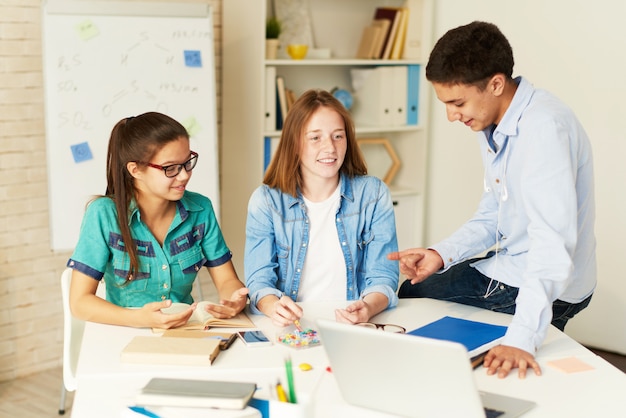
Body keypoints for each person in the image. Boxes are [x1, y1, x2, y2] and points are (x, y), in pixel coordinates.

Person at [388, 21, 596, 379]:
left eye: (457, 103)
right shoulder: (494, 122)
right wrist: (440, 254)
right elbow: (494, 215)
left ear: (496, 84)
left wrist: (521, 338)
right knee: (415, 288)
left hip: (543, 276)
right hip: (514, 261)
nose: (452, 115)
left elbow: (551, 245)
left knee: (413, 300)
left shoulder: (543, 130)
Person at [68, 111, 248, 329]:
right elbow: (79, 303)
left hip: (185, 331)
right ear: (135, 170)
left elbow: (227, 280)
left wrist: (234, 299)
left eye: (187, 162)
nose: (184, 176)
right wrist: (139, 319)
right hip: (126, 333)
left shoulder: (200, 209)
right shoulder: (103, 214)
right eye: (170, 168)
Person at [245, 89, 399, 327]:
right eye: (315, 138)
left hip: (352, 326)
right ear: (294, 143)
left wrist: (367, 307)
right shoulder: (266, 201)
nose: (330, 148)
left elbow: (383, 276)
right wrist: (272, 305)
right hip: (291, 327)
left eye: (338, 136)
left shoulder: (373, 194)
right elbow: (259, 279)